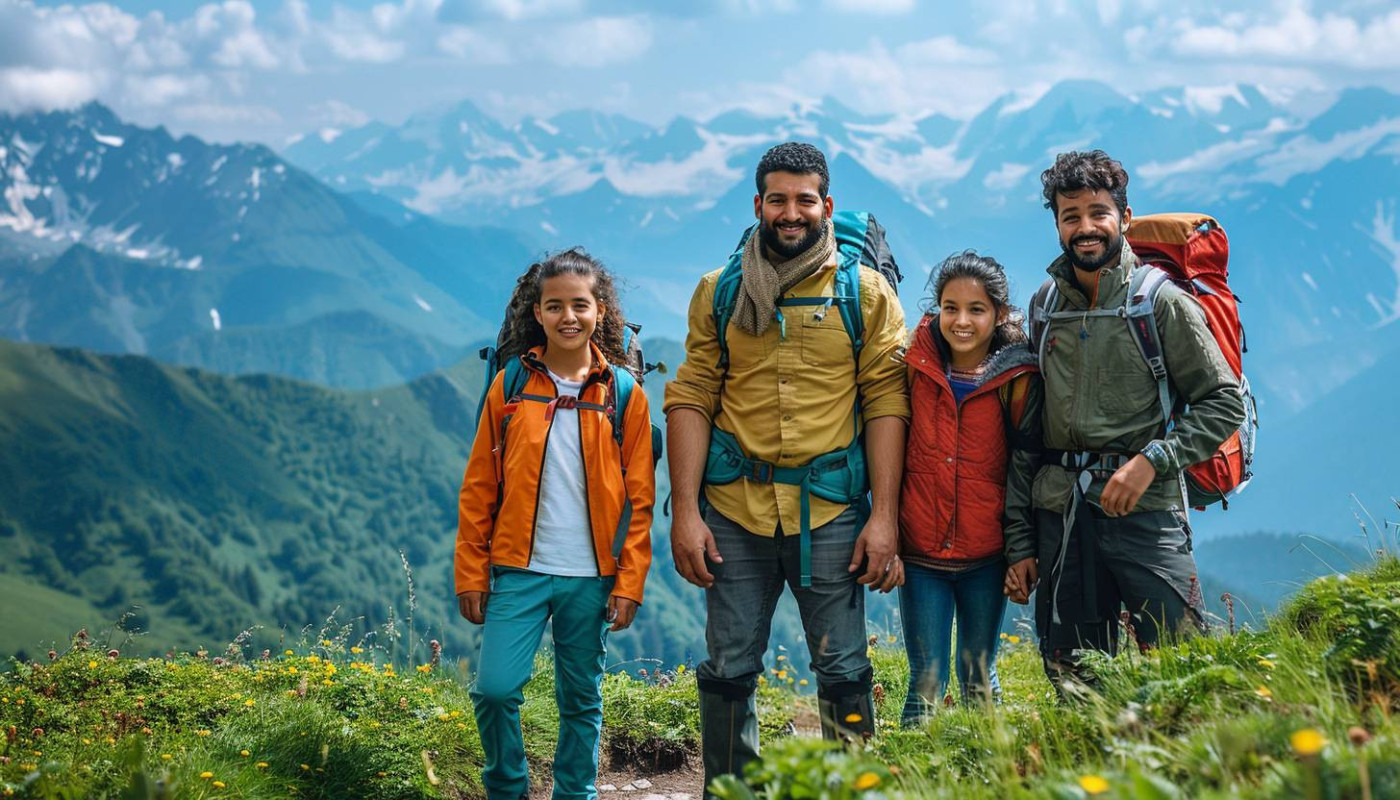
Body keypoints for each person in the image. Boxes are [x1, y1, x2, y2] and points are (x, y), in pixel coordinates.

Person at [663, 141, 909, 790]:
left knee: (844, 665)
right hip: (734, 509)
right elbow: (691, 396)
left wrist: (886, 518)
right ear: (759, 205)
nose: (791, 213)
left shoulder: (865, 295)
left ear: (827, 205)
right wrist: (684, 513)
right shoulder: (719, 293)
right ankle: (730, 789)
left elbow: (888, 402)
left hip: (829, 510)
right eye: (778, 200)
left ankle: (852, 788)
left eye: (805, 200)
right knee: (729, 664)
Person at [1011, 150, 1245, 691]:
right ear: (1057, 225)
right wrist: (1020, 540)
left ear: (1125, 218)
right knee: (1073, 678)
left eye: (1098, 212)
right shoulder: (1045, 307)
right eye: (1071, 216)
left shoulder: (1160, 303)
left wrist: (1152, 461)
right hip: (1063, 513)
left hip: (1147, 511)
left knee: (1183, 669)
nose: (1085, 228)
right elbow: (1028, 435)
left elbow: (1223, 401)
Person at [456, 248, 654, 800]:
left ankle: (575, 793)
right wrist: (471, 573)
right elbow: (479, 487)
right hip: (517, 568)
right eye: (555, 306)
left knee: (580, 698)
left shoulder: (624, 394)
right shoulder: (512, 385)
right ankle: (508, 790)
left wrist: (630, 581)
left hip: (592, 575)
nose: (568, 317)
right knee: (494, 690)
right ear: (537, 314)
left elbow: (640, 499)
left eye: (580, 305)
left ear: (600, 312)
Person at [897, 250, 1040, 723]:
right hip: (921, 557)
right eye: (950, 308)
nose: (961, 321)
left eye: (976, 310)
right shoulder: (912, 367)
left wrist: (1021, 550)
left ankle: (987, 774)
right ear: (935, 308)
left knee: (979, 672)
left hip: (986, 555)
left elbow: (1025, 468)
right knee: (926, 678)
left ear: (998, 314)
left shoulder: (1015, 379)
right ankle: (910, 780)